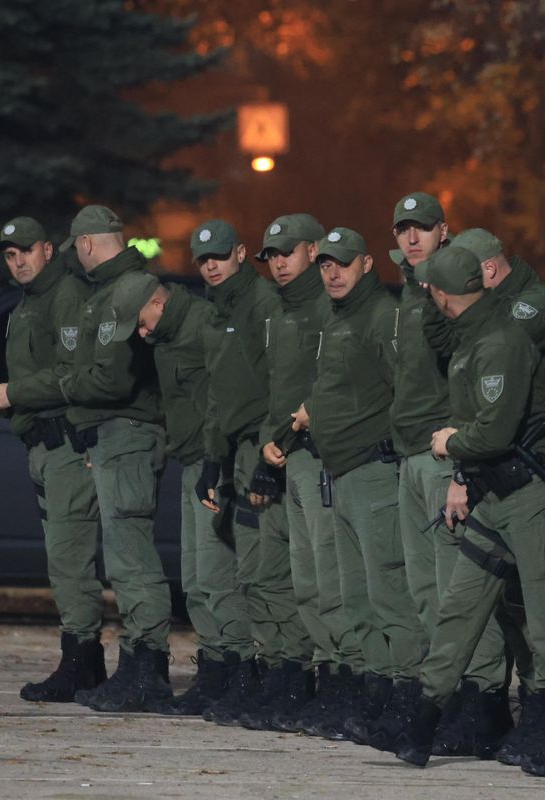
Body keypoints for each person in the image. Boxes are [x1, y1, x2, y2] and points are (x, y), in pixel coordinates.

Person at [378, 246, 545, 778]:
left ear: (443, 292)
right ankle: (425, 718)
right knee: (459, 609)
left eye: (428, 287)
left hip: (530, 500)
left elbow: (494, 430)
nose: (422, 291)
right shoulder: (473, 338)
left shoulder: (500, 342)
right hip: (495, 497)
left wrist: (451, 445)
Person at [387, 195, 515, 757]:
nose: (412, 237)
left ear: (445, 231)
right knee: (425, 593)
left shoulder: (461, 297)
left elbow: (474, 380)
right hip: (412, 455)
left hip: (448, 456)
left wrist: (465, 464)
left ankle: (484, 704)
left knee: (461, 592)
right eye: (403, 228)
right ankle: (451, 703)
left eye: (422, 227)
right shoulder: (411, 295)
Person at [295, 227, 428, 742]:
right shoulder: (338, 317)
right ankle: (377, 695)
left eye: (342, 263)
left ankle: (407, 693)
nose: (332, 272)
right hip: (342, 471)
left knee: (388, 589)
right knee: (356, 596)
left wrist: (392, 449)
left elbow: (404, 389)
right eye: (326, 264)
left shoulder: (380, 317)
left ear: (367, 264)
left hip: (374, 471)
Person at [190, 218, 315, 728]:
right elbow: (223, 394)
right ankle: (271, 676)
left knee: (274, 570)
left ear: (240, 254)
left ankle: (291, 678)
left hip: (269, 452)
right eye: (202, 259)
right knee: (254, 574)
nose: (211, 265)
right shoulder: (219, 312)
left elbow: (273, 392)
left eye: (219, 255)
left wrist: (268, 458)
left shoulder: (265, 305)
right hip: (242, 453)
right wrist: (213, 460)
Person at [52, 205, 172, 713]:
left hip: (128, 431)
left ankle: (147, 669)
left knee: (131, 554)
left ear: (84, 245)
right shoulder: (116, 289)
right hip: (115, 434)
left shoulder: (130, 289)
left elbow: (115, 377)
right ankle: (140, 667)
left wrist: (62, 389)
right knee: (124, 552)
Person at [236, 212, 353, 732]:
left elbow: (334, 385)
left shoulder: (330, 307)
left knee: (328, 576)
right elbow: (274, 390)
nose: (279, 263)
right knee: (291, 578)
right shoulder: (279, 313)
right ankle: (295, 679)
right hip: (285, 454)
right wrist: (267, 441)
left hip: (319, 453)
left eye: (288, 252)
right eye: (272, 255)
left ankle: (337, 683)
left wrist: (285, 437)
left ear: (313, 251)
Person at [0, 217, 103, 703]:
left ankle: (79, 662)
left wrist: (14, 393)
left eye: (25, 252)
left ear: (48, 250)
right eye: (9, 256)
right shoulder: (28, 303)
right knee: (63, 559)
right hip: (42, 445)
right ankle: (85, 663)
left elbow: (72, 374)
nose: (18, 262)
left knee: (71, 559)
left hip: (67, 445)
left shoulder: (66, 296)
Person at [127, 271, 254, 716]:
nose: (142, 335)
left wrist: (221, 462)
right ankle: (215, 670)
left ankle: (239, 671)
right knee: (197, 580)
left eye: (143, 323)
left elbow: (227, 392)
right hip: (191, 461)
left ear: (159, 304)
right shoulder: (167, 336)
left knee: (218, 577)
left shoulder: (203, 323)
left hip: (213, 461)